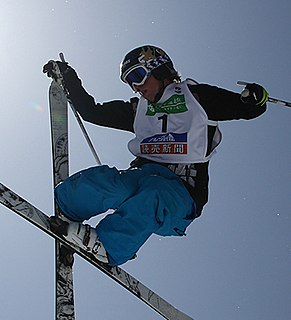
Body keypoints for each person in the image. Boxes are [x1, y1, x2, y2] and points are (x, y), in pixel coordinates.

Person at [43, 45, 268, 266]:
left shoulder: (197, 98)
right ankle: (69, 207)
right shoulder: (139, 110)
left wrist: (254, 99)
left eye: (138, 76)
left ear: (159, 69)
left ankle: (110, 245)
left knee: (153, 195)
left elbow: (245, 108)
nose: (136, 87)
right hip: (142, 177)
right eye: (130, 82)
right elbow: (93, 112)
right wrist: (68, 77)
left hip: (180, 197)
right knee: (111, 182)